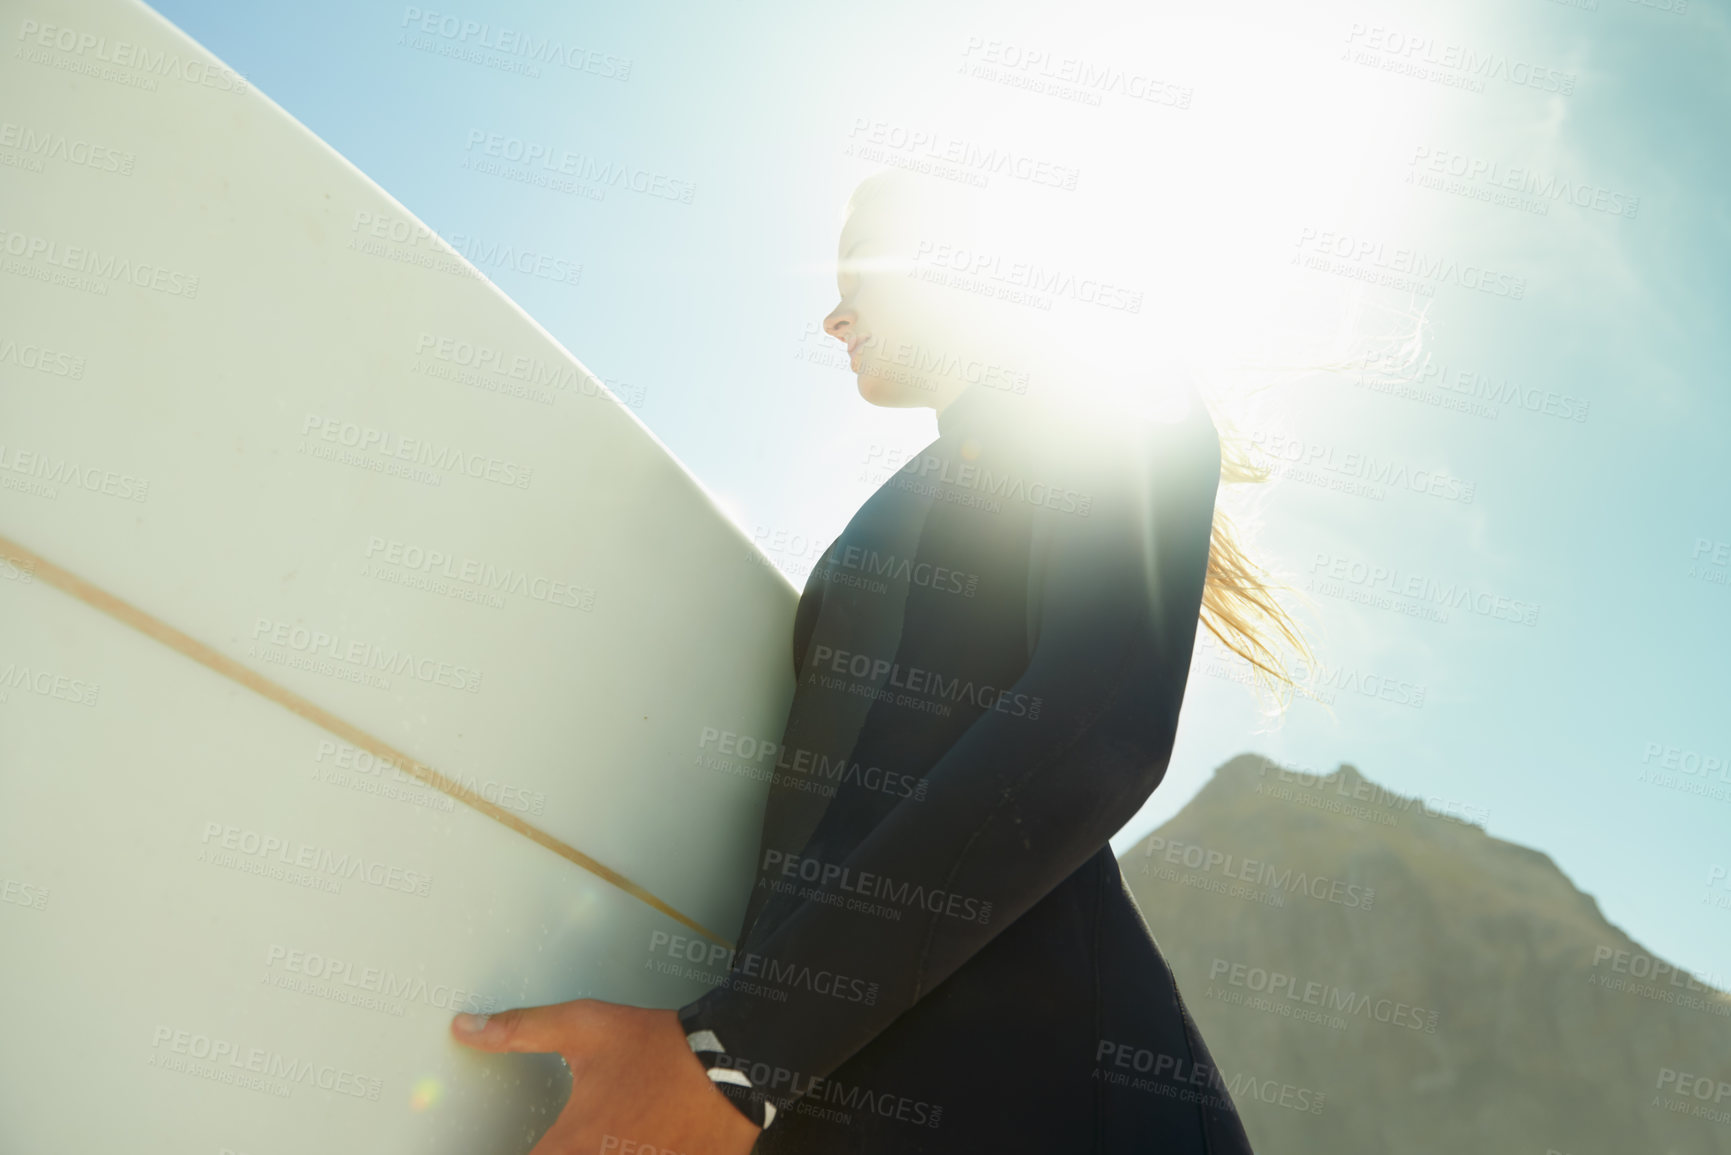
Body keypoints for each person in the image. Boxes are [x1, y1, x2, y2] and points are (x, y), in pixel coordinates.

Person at [453, 169, 1291, 1154]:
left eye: (863, 273)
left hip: (1063, 1101)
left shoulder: (1113, 400)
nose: (833, 315)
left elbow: (1095, 728)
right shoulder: (917, 494)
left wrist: (736, 1062)